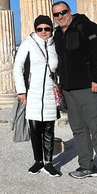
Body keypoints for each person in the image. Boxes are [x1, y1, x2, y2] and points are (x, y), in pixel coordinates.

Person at [52, 1, 97, 189]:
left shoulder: (87, 27)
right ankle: (87, 166)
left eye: (63, 12)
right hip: (69, 89)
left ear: (70, 11)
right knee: (78, 129)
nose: (60, 16)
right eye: (56, 15)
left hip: (89, 87)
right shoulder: (57, 34)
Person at [13, 15, 61, 177]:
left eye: (47, 28)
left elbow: (59, 68)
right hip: (32, 93)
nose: (43, 32)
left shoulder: (56, 45)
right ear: (35, 30)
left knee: (49, 129)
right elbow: (18, 67)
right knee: (35, 129)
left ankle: (49, 162)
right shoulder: (28, 44)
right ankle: (38, 161)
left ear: (51, 29)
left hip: (49, 93)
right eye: (39, 29)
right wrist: (21, 91)